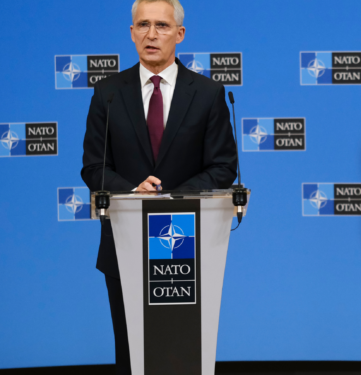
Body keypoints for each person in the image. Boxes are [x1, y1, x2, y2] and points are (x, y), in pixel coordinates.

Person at [80, 0, 238, 372]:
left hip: (186, 245)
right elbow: (93, 166)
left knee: (181, 352)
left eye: (162, 26)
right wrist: (133, 189)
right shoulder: (108, 92)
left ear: (179, 34)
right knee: (131, 352)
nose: (152, 35)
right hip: (125, 245)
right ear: (132, 32)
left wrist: (172, 198)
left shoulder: (208, 93)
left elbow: (223, 166)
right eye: (143, 25)